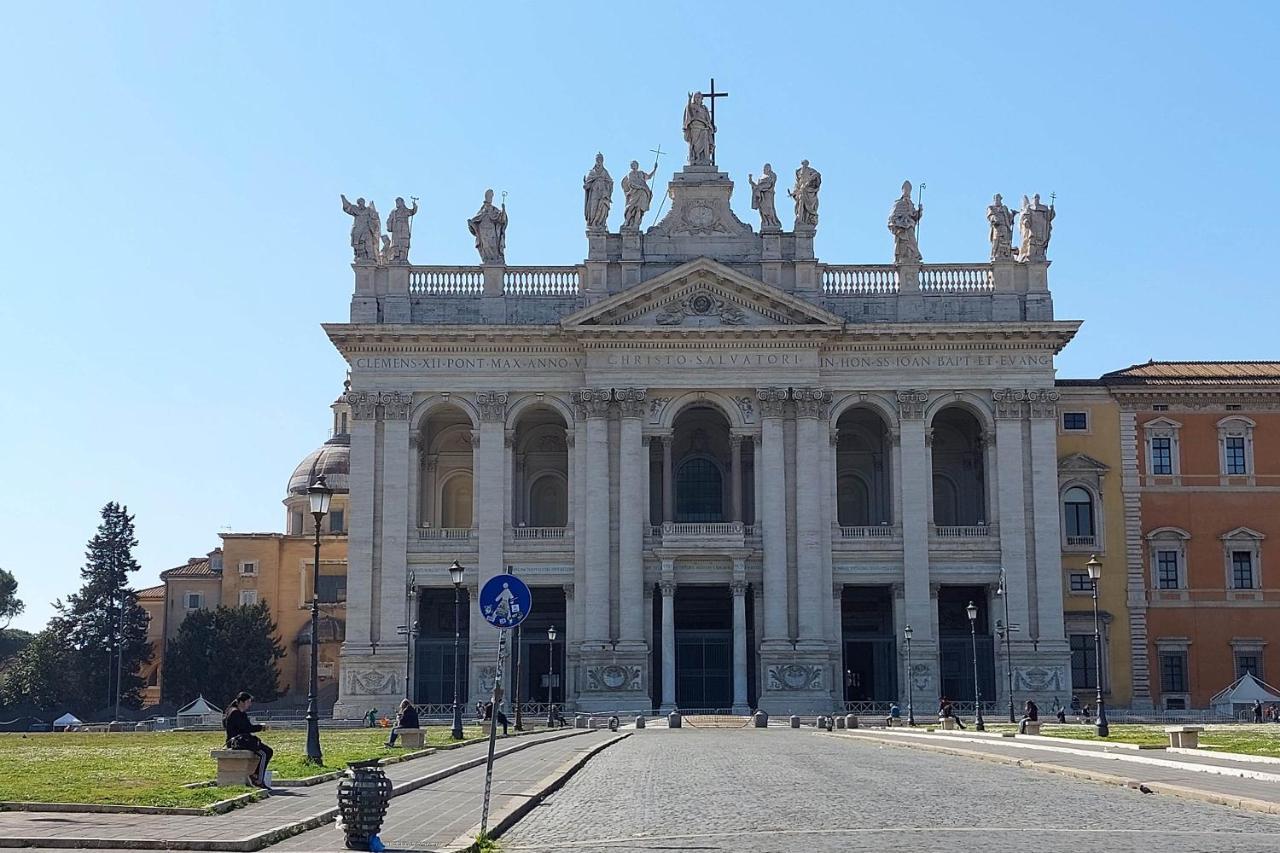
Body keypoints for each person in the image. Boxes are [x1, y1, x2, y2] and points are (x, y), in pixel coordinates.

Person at [223, 691, 272, 790]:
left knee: (269, 751)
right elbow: (246, 728)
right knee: (264, 753)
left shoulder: (240, 713)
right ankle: (258, 779)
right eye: (248, 702)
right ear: (242, 702)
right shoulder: (234, 713)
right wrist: (261, 727)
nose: (250, 705)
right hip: (237, 742)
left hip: (244, 741)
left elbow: (246, 727)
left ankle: (256, 775)